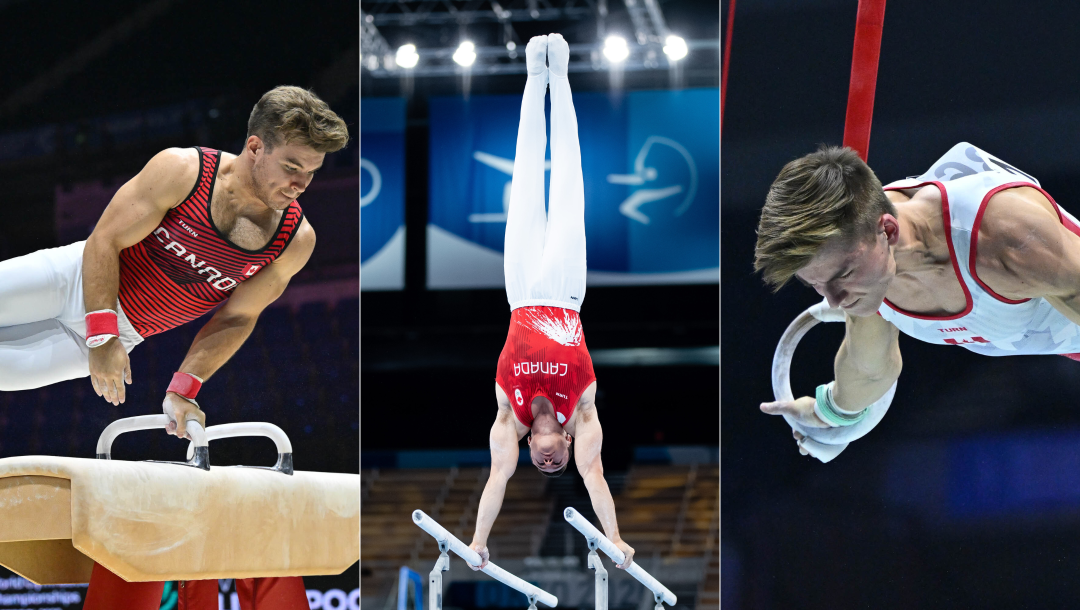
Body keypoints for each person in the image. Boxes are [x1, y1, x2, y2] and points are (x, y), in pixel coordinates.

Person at [0, 85, 349, 609]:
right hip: (73, 279)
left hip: (122, 332)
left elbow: (238, 315)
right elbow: (105, 241)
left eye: (313, 171)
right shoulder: (184, 172)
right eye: (292, 165)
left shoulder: (294, 239)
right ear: (255, 147)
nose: (301, 184)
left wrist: (184, 389)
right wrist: (101, 334)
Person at [754, 143, 1080, 454]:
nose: (834, 301)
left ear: (889, 231)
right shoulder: (867, 268)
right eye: (816, 284)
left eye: (842, 276)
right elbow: (869, 372)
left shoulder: (1004, 238)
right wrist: (829, 415)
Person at [466, 33, 635, 571]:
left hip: (519, 292)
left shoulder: (505, 418)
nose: (549, 462)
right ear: (564, 440)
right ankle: (556, 75)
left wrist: (476, 541)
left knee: (523, 174)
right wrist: (616, 536)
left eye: (544, 465)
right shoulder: (582, 416)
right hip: (564, 291)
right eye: (556, 461)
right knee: (566, 178)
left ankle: (533, 75)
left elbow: (496, 478)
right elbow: (596, 477)